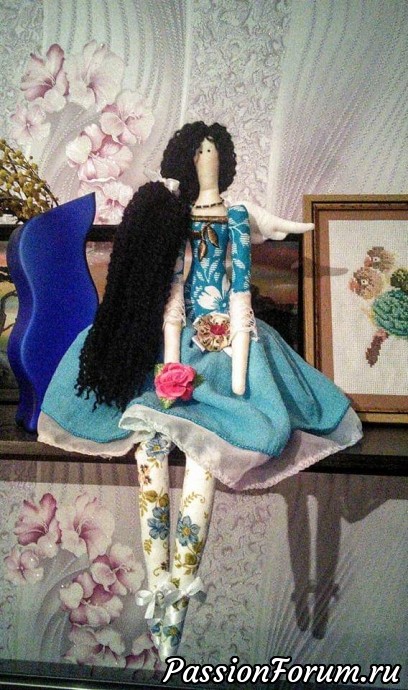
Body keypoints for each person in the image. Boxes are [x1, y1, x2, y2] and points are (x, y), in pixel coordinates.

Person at [38, 121, 362, 659]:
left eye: (212, 150)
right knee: (151, 450)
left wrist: (238, 358)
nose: (205, 157)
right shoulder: (173, 217)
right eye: (198, 150)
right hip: (177, 344)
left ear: (223, 158)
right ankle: (158, 586)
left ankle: (179, 596)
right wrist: (170, 358)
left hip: (227, 342)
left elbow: (243, 284)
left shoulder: (236, 216)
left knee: (205, 456)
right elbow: (170, 291)